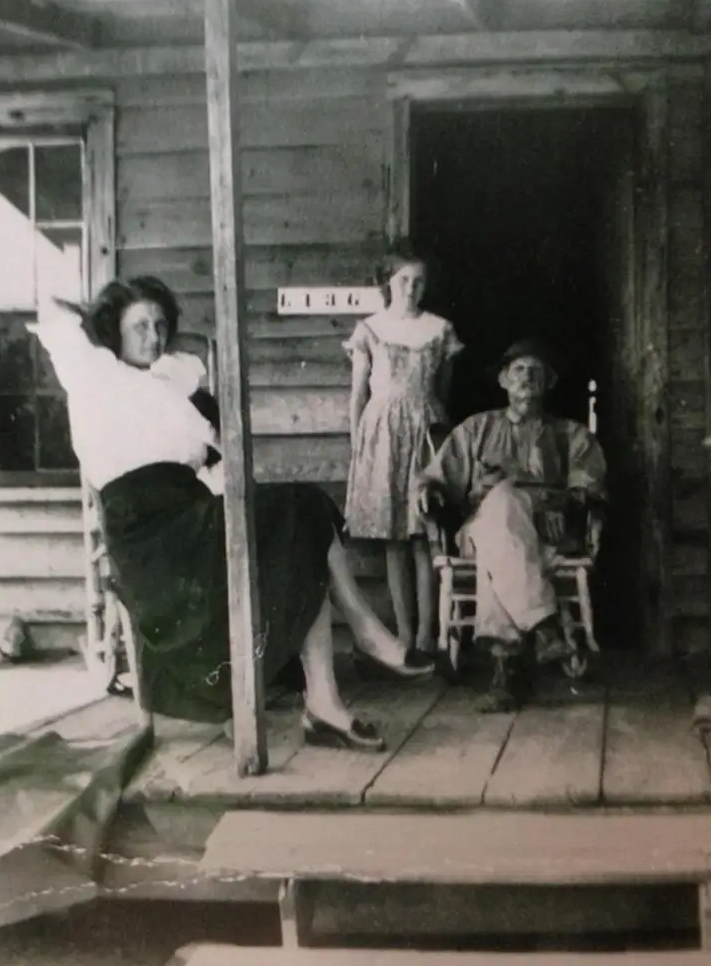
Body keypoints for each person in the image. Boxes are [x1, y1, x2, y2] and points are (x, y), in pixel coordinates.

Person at [30, 276, 434, 754]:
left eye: (161, 325)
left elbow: (216, 472)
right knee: (300, 510)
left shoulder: (172, 386)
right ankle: (361, 643)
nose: (154, 336)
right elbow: (51, 307)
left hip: (192, 516)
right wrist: (95, 312)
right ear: (111, 329)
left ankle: (329, 697)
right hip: (148, 535)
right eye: (139, 325)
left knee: (300, 519)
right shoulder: (92, 371)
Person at [417, 338, 608, 711]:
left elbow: (589, 481)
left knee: (497, 550)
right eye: (519, 370)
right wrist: (428, 491)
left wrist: (569, 502)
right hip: (478, 528)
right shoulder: (476, 430)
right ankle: (543, 626)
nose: (527, 377)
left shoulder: (571, 435)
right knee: (501, 502)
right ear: (503, 380)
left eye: (537, 371)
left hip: (546, 537)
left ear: (550, 382)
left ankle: (505, 672)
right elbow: (436, 477)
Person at [343, 246, 464, 654]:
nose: (410, 289)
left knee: (423, 533)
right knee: (394, 535)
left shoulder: (440, 330)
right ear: (388, 283)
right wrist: (359, 444)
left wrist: (430, 426)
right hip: (381, 435)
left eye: (418, 281)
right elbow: (358, 395)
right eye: (402, 280)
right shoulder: (370, 330)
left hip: (425, 432)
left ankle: (429, 633)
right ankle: (405, 633)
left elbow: (442, 391)